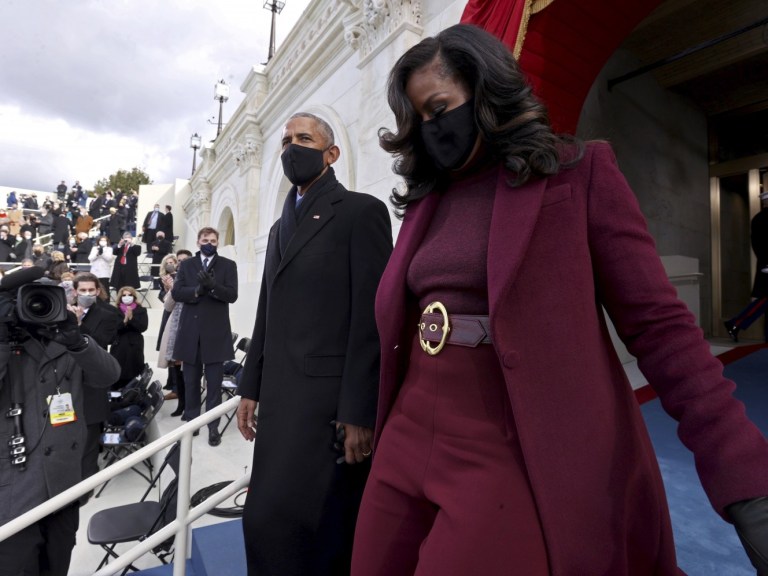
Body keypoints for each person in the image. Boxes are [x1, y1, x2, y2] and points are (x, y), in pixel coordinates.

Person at [349, 24, 768, 576]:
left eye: (440, 107)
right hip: (408, 431)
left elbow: (661, 329)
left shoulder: (579, 173)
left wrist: (747, 479)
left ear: (487, 91)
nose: (431, 129)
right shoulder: (426, 202)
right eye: (418, 119)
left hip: (506, 443)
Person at [236, 112, 392, 576]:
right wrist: (251, 385)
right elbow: (267, 309)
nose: (291, 147)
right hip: (281, 405)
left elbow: (372, 319)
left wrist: (359, 410)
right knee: (265, 522)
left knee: (322, 528)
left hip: (330, 412)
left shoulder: (361, 212)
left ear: (331, 153)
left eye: (303, 138)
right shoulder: (278, 227)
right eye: (286, 140)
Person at [0, 271, 121, 576]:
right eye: (29, 301)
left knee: (56, 566)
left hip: (63, 486)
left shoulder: (67, 341)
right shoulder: (5, 342)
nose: (37, 308)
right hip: (13, 490)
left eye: (46, 300)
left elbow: (108, 375)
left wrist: (77, 339)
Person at [172, 227, 238, 447]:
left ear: (218, 242)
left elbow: (232, 295)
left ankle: (213, 427)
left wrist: (213, 287)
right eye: (204, 239)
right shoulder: (187, 265)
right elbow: (177, 292)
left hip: (216, 334)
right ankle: (192, 423)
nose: (208, 242)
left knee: (214, 385)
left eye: (212, 239)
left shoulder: (228, 265)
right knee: (190, 382)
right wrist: (198, 291)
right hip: (190, 332)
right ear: (198, 241)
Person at [70, 272, 122, 485]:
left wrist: (79, 325)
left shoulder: (109, 313)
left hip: (93, 380)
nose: (87, 294)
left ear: (98, 291)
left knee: (91, 430)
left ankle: (86, 481)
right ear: (75, 291)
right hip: (68, 380)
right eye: (82, 290)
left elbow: (102, 341)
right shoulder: (62, 310)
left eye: (91, 290)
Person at [724, 190, 768, 342]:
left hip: (765, 264)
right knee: (765, 299)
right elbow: (760, 244)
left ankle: (737, 324)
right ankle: (736, 323)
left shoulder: (760, 218)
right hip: (767, 266)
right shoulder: (762, 218)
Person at [157, 253, 185, 416]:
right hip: (175, 327)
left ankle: (189, 406)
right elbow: (168, 305)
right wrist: (171, 288)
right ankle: (181, 403)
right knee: (176, 368)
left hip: (191, 330)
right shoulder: (175, 283)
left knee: (187, 372)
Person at [109, 285, 148, 389]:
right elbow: (114, 328)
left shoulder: (141, 310)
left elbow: (143, 327)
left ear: (134, 297)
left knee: (134, 368)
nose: (127, 297)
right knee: (118, 369)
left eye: (129, 295)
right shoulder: (114, 311)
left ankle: (133, 392)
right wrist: (125, 321)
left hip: (135, 344)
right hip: (119, 343)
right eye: (124, 295)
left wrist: (131, 319)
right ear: (120, 297)